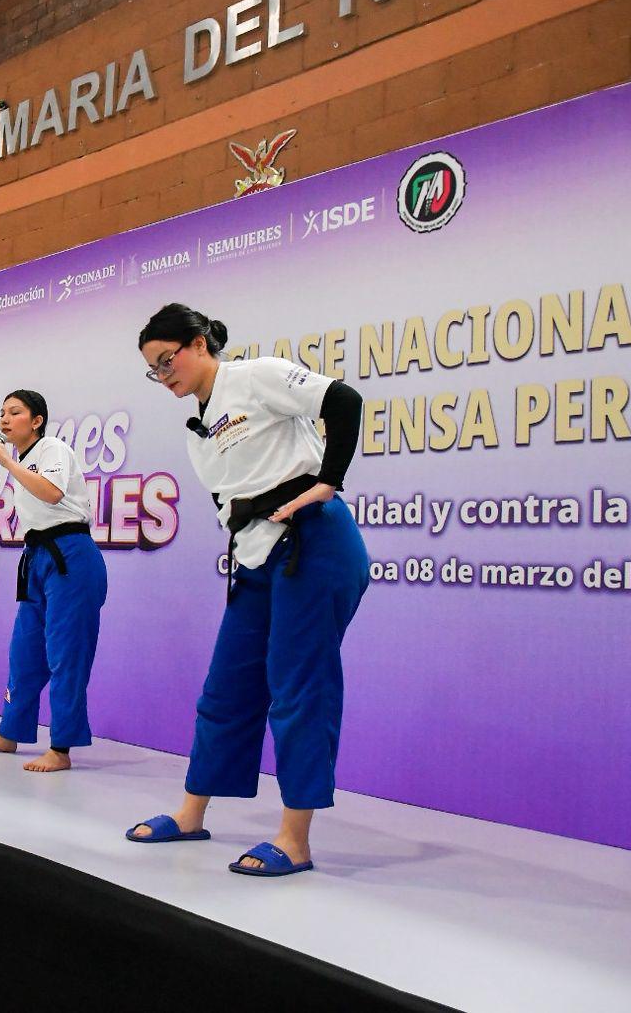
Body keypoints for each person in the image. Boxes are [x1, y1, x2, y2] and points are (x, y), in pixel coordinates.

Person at [125, 304, 369, 878]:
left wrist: (328, 482)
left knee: (298, 687)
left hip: (314, 544)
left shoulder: (254, 377)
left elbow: (344, 401)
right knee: (226, 686)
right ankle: (191, 813)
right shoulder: (198, 430)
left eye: (168, 360)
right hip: (259, 558)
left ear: (200, 342)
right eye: (154, 370)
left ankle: (295, 838)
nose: (165, 376)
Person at [0, 391, 109, 773]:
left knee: (66, 654)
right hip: (38, 559)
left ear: (37, 420)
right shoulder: (23, 460)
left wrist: (7, 462)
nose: (5, 419)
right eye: (2, 413)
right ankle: (10, 732)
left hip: (72, 558)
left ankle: (61, 747)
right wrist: (12, 463)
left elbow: (51, 492)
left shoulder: (53, 449)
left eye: (15, 412)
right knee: (25, 651)